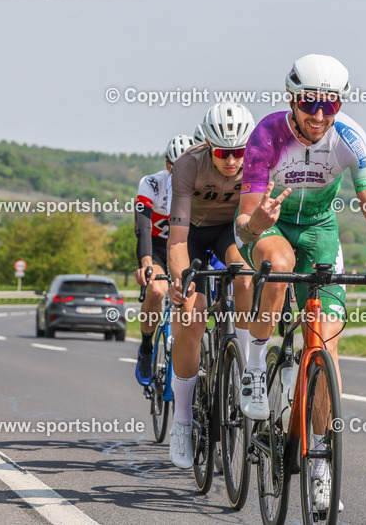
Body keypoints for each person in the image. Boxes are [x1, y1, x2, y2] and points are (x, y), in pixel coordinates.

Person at [234, 53, 366, 512]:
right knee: (280, 262)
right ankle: (252, 366)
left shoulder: (350, 135)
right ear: (292, 98)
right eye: (310, 103)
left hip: (322, 232)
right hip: (268, 226)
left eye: (331, 104)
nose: (320, 115)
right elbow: (246, 221)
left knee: (325, 343)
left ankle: (321, 460)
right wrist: (258, 221)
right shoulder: (267, 134)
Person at [165, 102, 256, 469]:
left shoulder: (256, 161)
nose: (232, 160)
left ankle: (250, 369)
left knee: (248, 276)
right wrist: (179, 280)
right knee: (190, 312)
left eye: (238, 152)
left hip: (229, 234)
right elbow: (176, 238)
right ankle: (183, 419)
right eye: (223, 152)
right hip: (192, 235)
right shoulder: (188, 165)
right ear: (208, 145)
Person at [133, 134, 196, 386]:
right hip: (157, 248)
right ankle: (147, 347)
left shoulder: (199, 183)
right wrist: (146, 262)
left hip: (186, 247)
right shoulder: (151, 184)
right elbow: (143, 227)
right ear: (167, 164)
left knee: (195, 298)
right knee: (157, 291)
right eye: (174, 165)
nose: (178, 171)